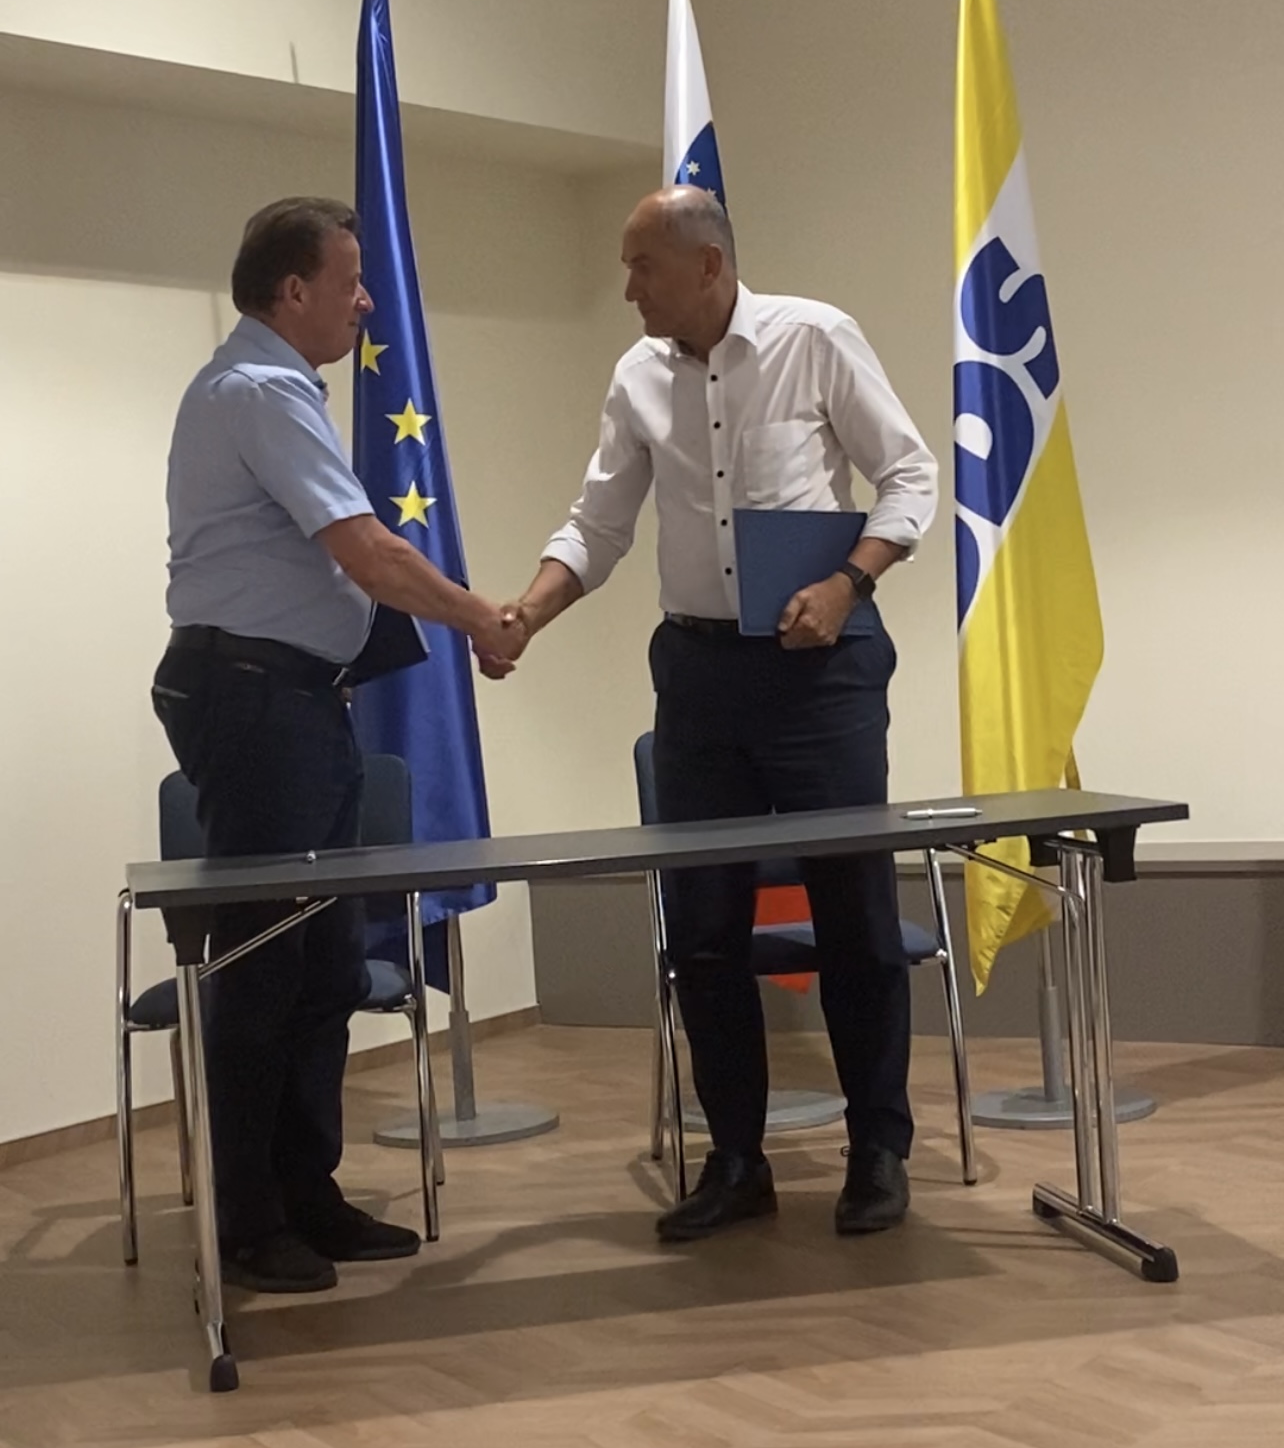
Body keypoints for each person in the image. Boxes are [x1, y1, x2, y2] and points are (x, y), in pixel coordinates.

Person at [503, 186, 937, 1243]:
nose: (627, 288)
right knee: (702, 931)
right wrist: (527, 614)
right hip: (699, 675)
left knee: (854, 918)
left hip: (821, 668)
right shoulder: (637, 376)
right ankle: (737, 1160)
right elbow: (598, 524)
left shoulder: (815, 338)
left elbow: (910, 475)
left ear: (707, 264)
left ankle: (877, 1151)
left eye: (641, 265)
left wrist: (847, 583)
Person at [152, 196, 524, 1294]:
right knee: (264, 965)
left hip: (297, 703)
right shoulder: (258, 392)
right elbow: (367, 553)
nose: (366, 302)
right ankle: (248, 1220)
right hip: (255, 704)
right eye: (350, 281)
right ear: (293, 290)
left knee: (321, 967)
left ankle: (305, 1192)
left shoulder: (269, 388)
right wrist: (480, 619)